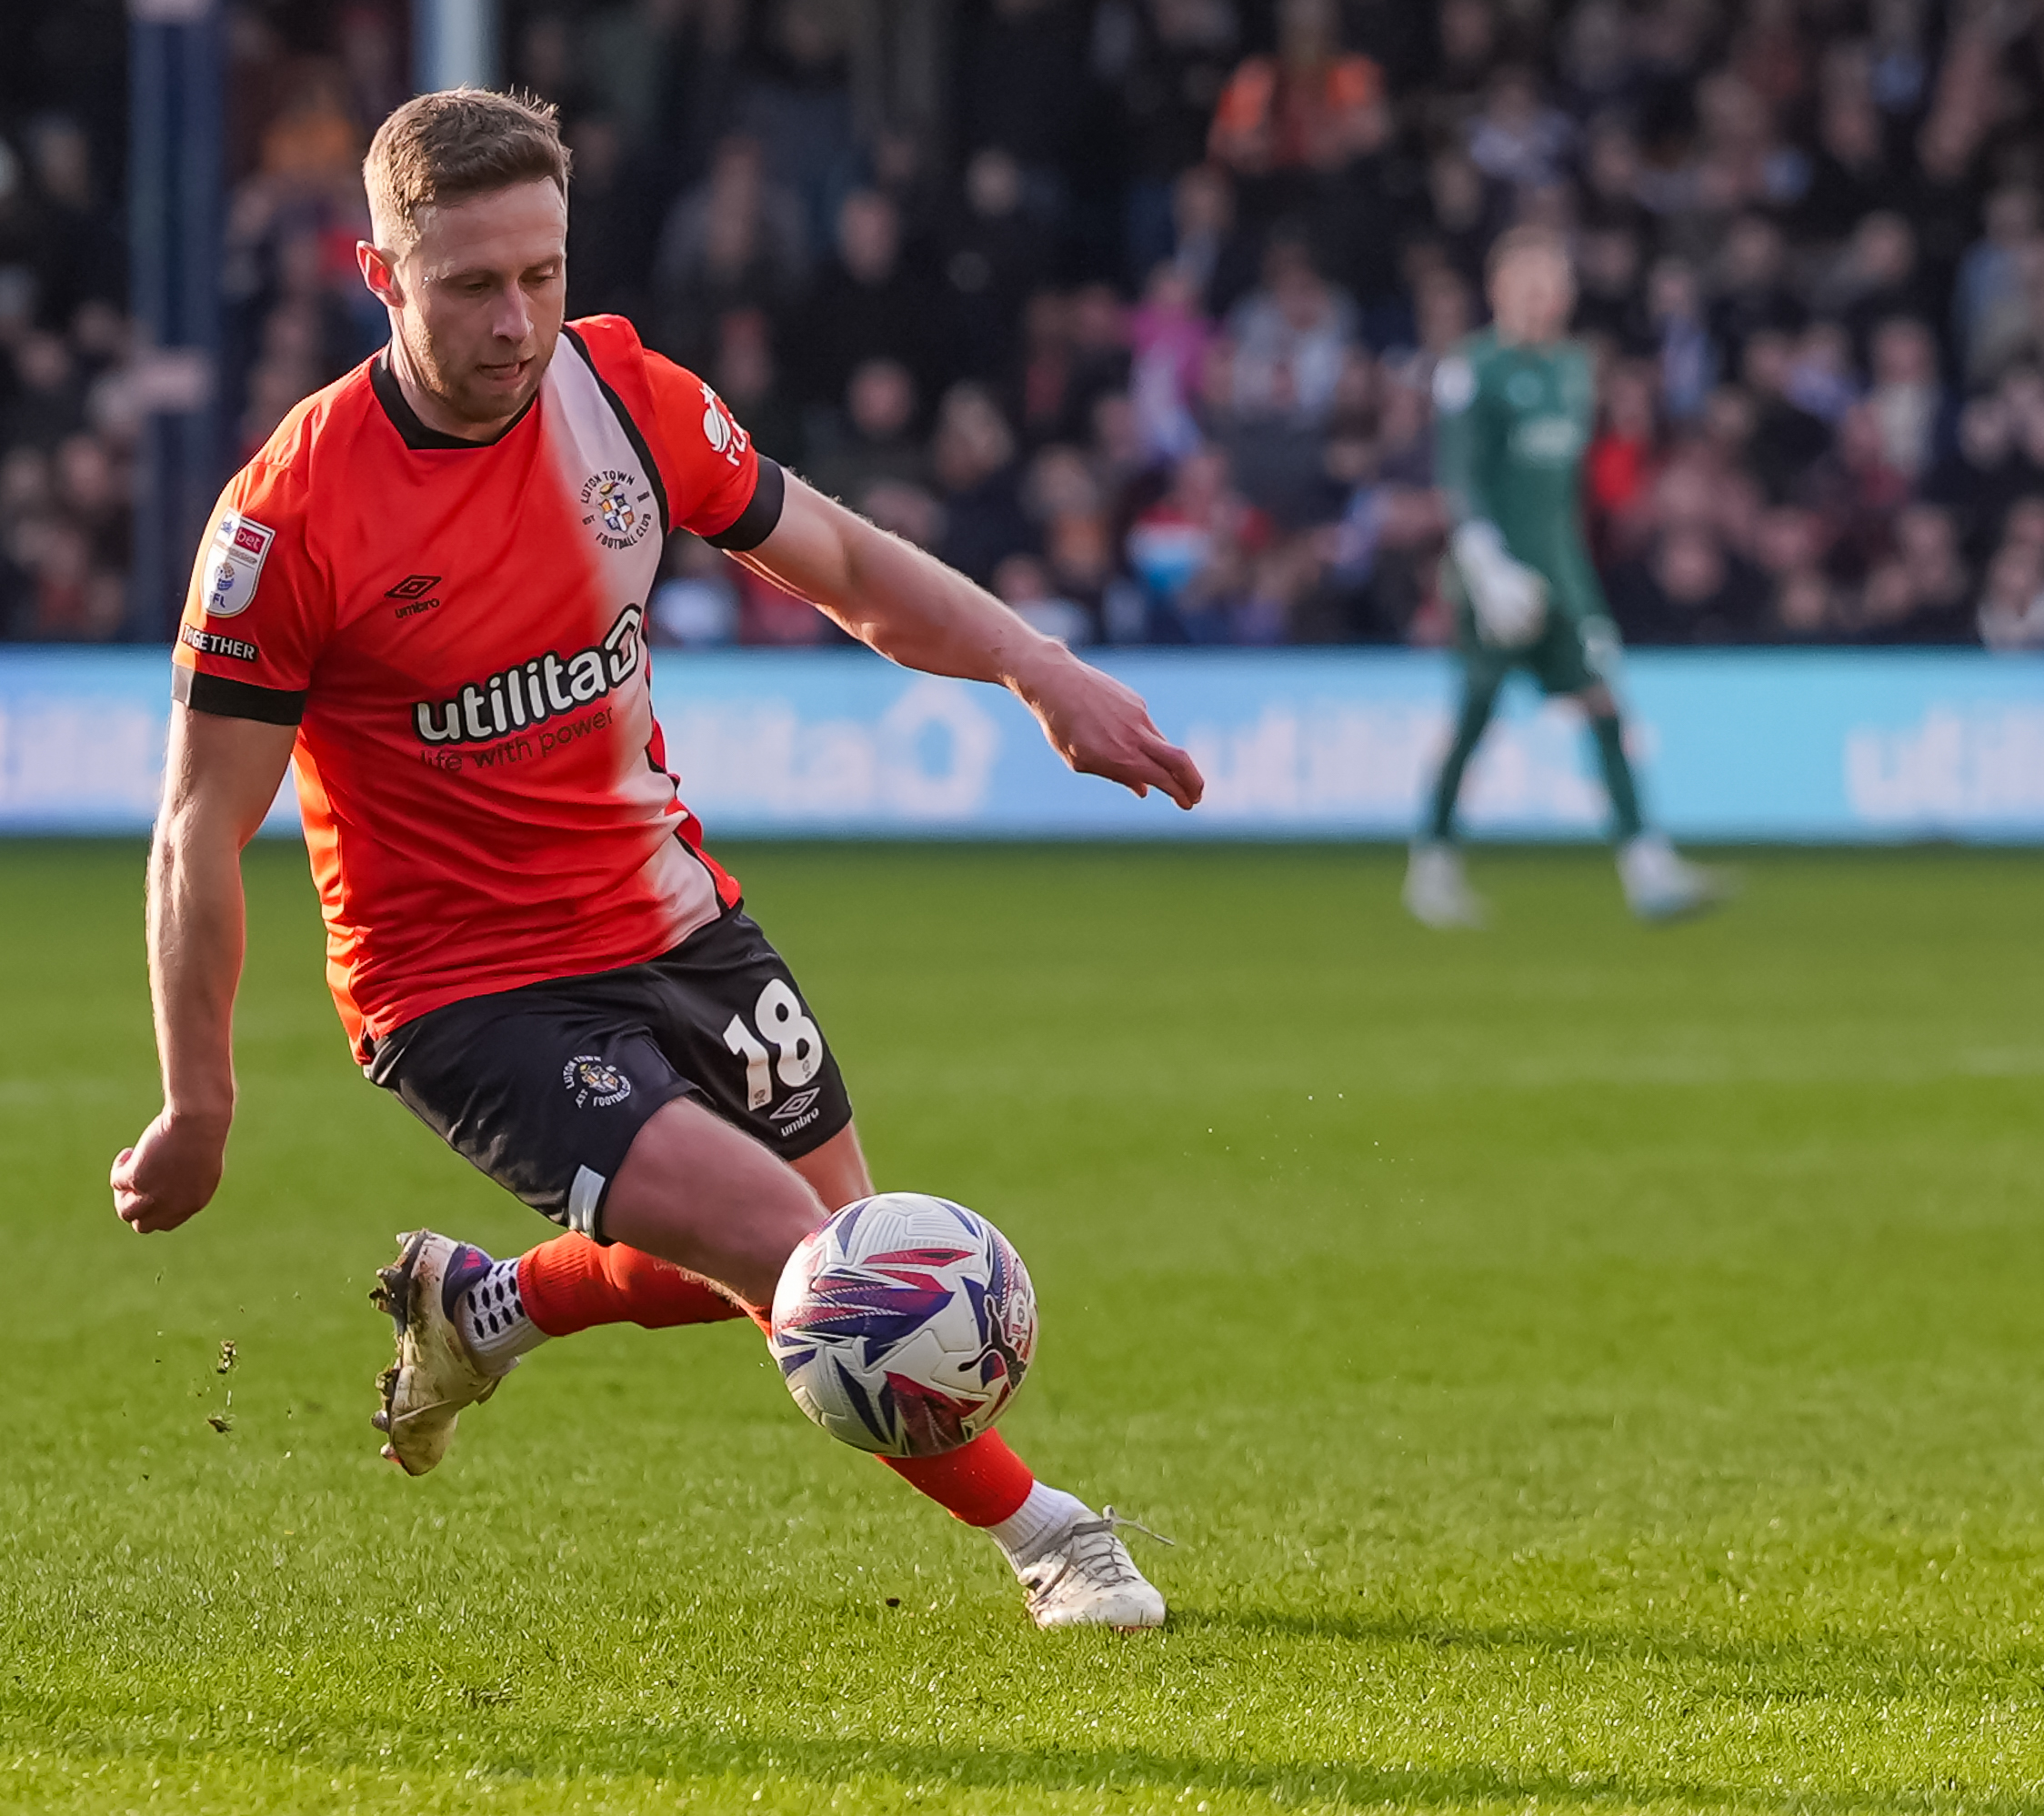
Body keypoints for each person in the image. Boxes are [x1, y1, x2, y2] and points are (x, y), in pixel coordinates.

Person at [108, 90, 1207, 1634]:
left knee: (816, 1255)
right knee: (832, 1275)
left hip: (674, 915)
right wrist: (199, 1099)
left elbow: (843, 564)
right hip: (463, 989)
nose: (516, 322)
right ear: (378, 276)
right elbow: (197, 826)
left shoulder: (621, 398)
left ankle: (487, 1305)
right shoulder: (289, 520)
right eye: (470, 285)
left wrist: (1042, 671)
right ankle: (1055, 1535)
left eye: (542, 274)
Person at [1407, 227, 1724, 928]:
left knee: (1607, 706)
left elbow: (1570, 486)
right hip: (1495, 577)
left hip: (1564, 571)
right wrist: (1487, 566)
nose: (1545, 298)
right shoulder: (1472, 370)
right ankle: (1431, 862)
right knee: (1476, 714)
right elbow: (1458, 479)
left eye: (1554, 285)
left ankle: (1648, 867)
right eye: (1530, 284)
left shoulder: (1575, 369)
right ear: (1498, 291)